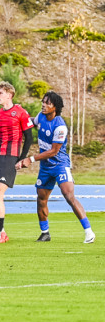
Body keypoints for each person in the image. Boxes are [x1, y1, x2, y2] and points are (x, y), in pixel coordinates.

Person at [26, 91, 94, 243]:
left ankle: (89, 232)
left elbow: (53, 151)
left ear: (55, 107)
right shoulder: (41, 116)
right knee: (41, 199)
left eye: (47, 103)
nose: (43, 105)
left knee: (69, 196)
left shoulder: (60, 127)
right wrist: (20, 116)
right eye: (43, 101)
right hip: (45, 167)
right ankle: (45, 233)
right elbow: (32, 121)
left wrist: (31, 159)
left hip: (60, 165)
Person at [0, 82, 34, 244]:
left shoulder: (21, 112)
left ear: (10, 95)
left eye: (1, 93)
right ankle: (2, 232)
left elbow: (29, 138)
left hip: (10, 157)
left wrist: (22, 158)